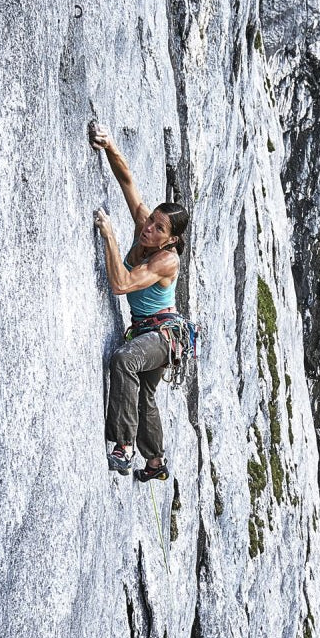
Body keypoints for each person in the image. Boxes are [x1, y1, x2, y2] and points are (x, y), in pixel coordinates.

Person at [89, 120, 190, 482]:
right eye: (151, 222)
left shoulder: (166, 260)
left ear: (172, 240)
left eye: (159, 229)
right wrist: (110, 145)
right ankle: (156, 462)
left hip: (163, 336)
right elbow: (127, 180)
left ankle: (125, 446)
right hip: (149, 331)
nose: (148, 229)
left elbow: (121, 285)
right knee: (145, 397)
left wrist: (111, 239)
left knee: (125, 360)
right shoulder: (146, 227)